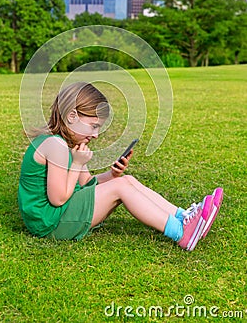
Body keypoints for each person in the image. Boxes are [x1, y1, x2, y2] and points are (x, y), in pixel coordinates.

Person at [18, 82, 223, 251]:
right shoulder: (56, 146)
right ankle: (180, 233)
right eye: (93, 126)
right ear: (72, 116)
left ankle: (183, 216)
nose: (96, 134)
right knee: (121, 187)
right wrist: (78, 163)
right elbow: (58, 198)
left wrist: (111, 174)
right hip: (50, 224)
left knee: (126, 180)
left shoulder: (66, 144)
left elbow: (88, 183)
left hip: (58, 217)